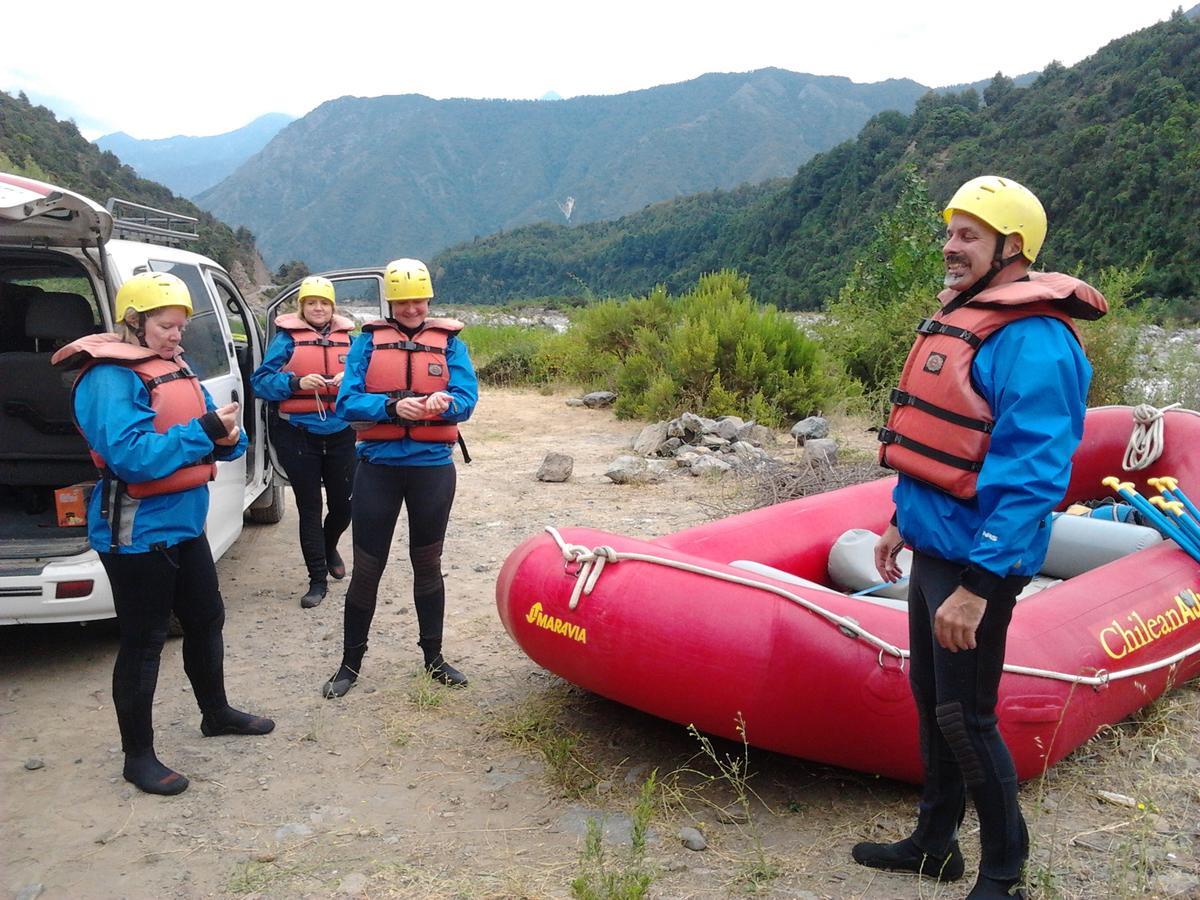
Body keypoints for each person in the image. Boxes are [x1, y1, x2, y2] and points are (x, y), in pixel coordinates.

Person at [854, 176, 1107, 899]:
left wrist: (978, 585)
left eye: (968, 234)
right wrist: (904, 518)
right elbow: (942, 445)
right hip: (939, 546)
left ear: (1012, 247)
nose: (951, 246)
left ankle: (1005, 874)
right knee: (930, 696)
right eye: (951, 231)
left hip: (980, 566)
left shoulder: (1036, 341)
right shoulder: (971, 322)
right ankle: (935, 845)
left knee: (968, 717)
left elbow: (1032, 475)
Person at [52, 272, 275, 796]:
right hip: (135, 533)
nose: (177, 336)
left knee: (206, 618)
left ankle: (215, 713)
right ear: (134, 321)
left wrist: (225, 440)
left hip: (182, 523)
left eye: (181, 327)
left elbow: (198, 435)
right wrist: (203, 433)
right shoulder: (109, 378)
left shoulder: (172, 365)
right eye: (166, 326)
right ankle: (138, 758)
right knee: (145, 640)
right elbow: (131, 457)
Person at [321, 258, 478, 698]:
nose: (411, 308)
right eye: (403, 300)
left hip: (431, 469)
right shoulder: (368, 344)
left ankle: (434, 659)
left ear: (429, 298)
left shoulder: (450, 345)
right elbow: (347, 403)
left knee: (428, 565)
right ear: (391, 301)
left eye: (418, 299)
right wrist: (390, 408)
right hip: (378, 469)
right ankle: (349, 666)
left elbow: (467, 399)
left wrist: (445, 403)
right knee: (367, 569)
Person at [250, 276, 357, 608]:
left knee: (344, 505)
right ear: (301, 308)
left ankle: (328, 547)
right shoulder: (286, 341)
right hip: (298, 435)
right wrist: (295, 382)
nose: (318, 308)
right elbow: (261, 382)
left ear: (332, 307)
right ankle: (317, 580)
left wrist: (349, 378)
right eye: (311, 303)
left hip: (342, 433)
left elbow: (369, 380)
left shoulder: (351, 341)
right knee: (310, 508)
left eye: (324, 303)